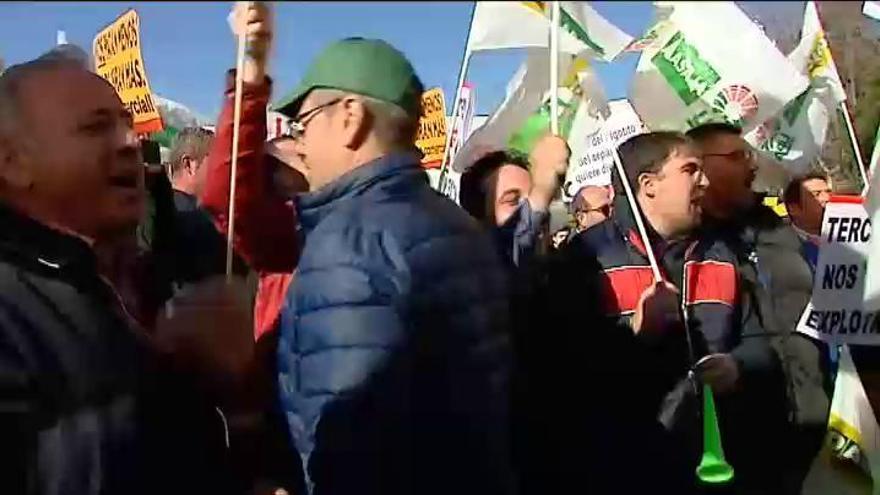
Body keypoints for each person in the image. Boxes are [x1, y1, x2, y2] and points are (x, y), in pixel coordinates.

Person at [272, 37, 514, 495]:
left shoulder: (349, 243)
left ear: (350, 118)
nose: (298, 143)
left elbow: (349, 447)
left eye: (302, 123)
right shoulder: (457, 222)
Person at [0, 57, 241, 495]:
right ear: (13, 162)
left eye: (127, 124)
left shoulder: (126, 278)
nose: (131, 142)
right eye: (95, 128)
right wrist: (171, 372)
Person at [558, 131, 787, 493]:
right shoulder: (584, 259)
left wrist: (738, 365)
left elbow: (759, 342)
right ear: (649, 185)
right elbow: (557, 375)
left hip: (716, 464)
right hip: (621, 471)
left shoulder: (722, 251)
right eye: (690, 170)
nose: (705, 181)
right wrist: (634, 336)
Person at [688, 122, 831, 494]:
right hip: (744, 436)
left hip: (816, 416)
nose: (751, 165)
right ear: (700, 168)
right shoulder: (690, 247)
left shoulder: (777, 228)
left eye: (749, 154)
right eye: (736, 157)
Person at [783, 173, 832, 272]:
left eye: (828, 192)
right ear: (794, 208)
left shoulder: (847, 238)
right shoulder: (783, 248)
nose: (827, 198)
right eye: (816, 194)